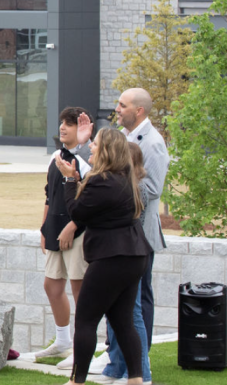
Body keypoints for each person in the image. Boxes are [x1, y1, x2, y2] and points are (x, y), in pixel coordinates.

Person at [55, 129, 149, 385]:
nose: (91, 149)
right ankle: (136, 379)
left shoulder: (102, 181)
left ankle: (77, 381)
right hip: (133, 255)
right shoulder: (124, 178)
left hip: (111, 257)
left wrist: (68, 181)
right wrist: (76, 177)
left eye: (94, 145)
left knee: (86, 320)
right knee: (123, 321)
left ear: (106, 149)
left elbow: (77, 212)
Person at [97, 88, 168, 383]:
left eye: (122, 105)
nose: (117, 109)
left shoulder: (152, 144)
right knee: (119, 303)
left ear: (139, 111)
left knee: (135, 304)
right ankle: (117, 364)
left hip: (138, 235)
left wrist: (114, 190)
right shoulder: (122, 138)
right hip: (121, 233)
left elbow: (152, 190)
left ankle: (137, 364)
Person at [35, 107, 93, 361]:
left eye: (69, 123)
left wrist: (74, 226)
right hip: (55, 230)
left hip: (78, 232)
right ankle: (62, 341)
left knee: (80, 289)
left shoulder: (85, 160)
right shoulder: (55, 157)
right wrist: (44, 227)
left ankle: (82, 348)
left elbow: (91, 200)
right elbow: (50, 195)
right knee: (51, 285)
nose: (63, 127)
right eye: (62, 122)